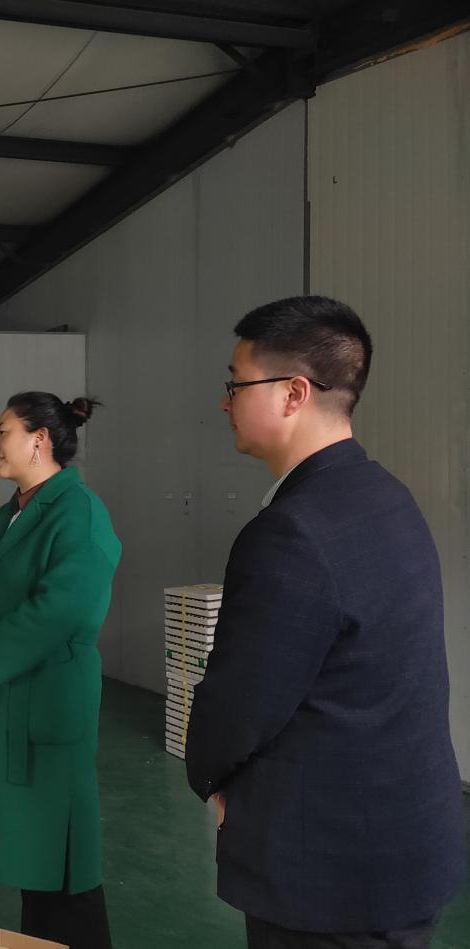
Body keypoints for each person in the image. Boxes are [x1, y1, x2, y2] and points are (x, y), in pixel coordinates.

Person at [185, 296, 465, 949]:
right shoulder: (386, 497)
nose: (224, 402)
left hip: (332, 873)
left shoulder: (292, 532)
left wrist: (214, 777)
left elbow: (241, 703)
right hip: (403, 846)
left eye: (236, 383)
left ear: (293, 393)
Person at [0, 392, 120, 949]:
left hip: (50, 695)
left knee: (64, 856)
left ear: (39, 439)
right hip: (8, 692)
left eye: (4, 432)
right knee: (32, 857)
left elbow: (67, 605)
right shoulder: (6, 518)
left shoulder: (79, 511)